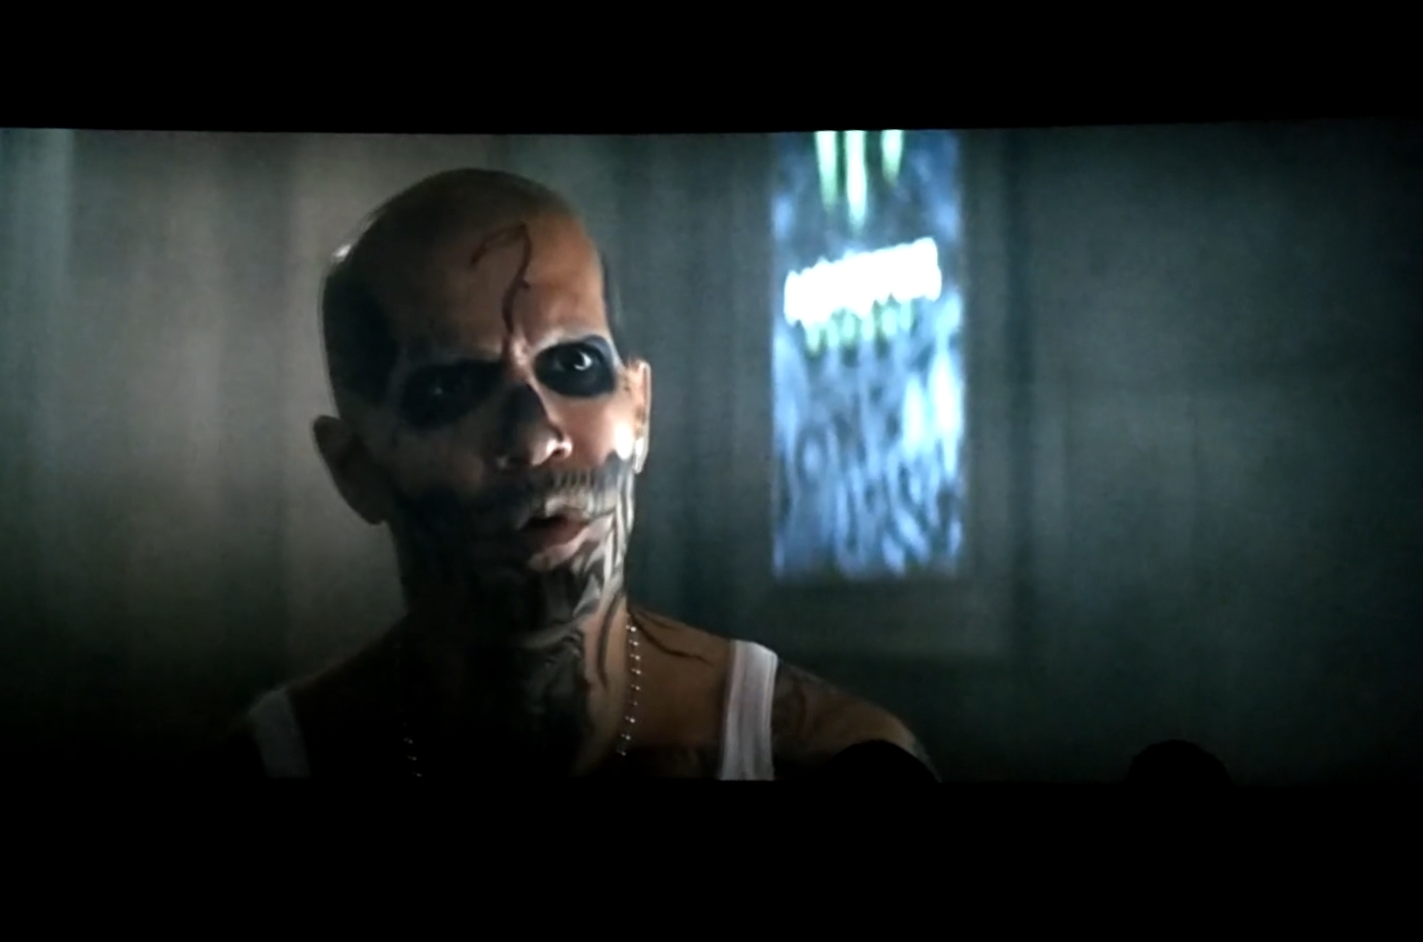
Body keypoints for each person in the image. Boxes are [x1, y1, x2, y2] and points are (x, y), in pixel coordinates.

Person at [209, 168, 930, 779]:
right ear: (355, 469)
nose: (535, 440)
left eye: (575, 364)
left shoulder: (823, 757)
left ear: (639, 410)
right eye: (451, 387)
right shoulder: (271, 762)